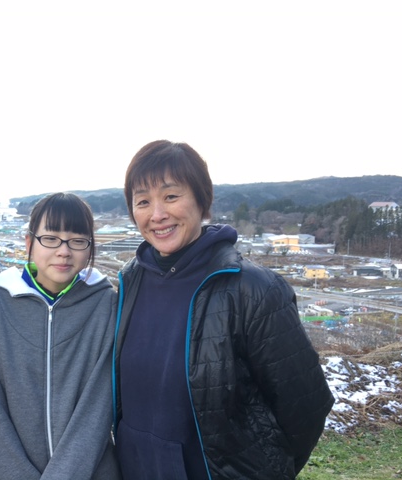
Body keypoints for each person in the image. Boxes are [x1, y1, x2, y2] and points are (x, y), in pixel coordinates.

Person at [112, 140, 335, 480]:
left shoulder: (253, 289)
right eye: (143, 201)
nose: (157, 214)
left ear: (202, 200)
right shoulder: (130, 281)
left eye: (171, 196)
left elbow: (305, 405)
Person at [0, 192, 121, 480]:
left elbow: (98, 409)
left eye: (77, 241)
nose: (64, 251)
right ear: (29, 242)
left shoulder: (106, 305)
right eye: (50, 239)